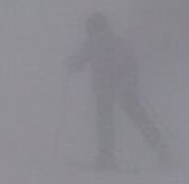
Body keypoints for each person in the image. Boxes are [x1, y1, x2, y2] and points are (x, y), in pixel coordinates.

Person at [66, 13, 170, 170]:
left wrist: (70, 63)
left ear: (92, 28)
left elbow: (78, 61)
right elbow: (132, 63)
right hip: (124, 87)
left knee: (104, 122)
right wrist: (131, 82)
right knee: (140, 118)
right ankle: (161, 149)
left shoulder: (94, 42)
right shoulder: (118, 41)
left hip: (104, 89)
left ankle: (106, 157)